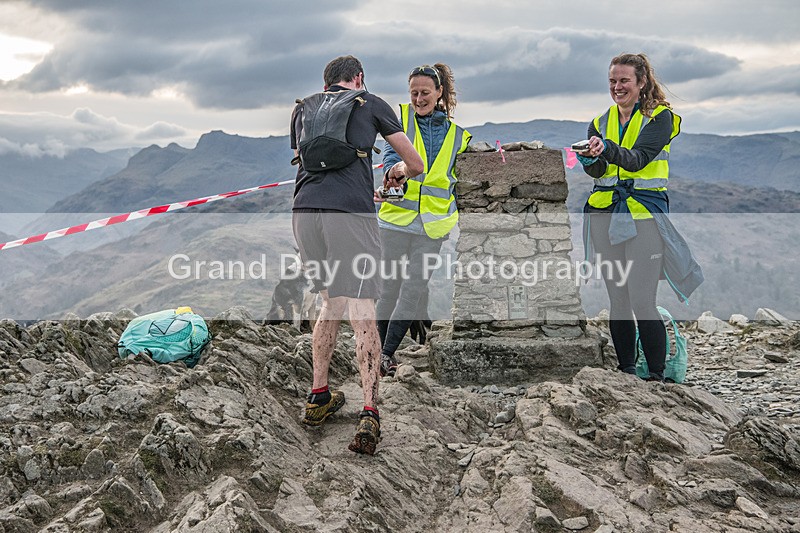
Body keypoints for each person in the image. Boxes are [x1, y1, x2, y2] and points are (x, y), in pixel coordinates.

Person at [291, 55, 424, 454]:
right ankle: (369, 410)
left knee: (330, 301)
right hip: (350, 215)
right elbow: (415, 163)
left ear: (326, 83)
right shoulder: (370, 103)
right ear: (359, 79)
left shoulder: (303, 109)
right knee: (363, 304)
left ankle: (319, 397)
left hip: (304, 214)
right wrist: (397, 171)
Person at [577, 53, 702, 381]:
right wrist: (591, 159)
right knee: (618, 296)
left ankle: (657, 376)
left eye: (624, 81)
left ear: (642, 82)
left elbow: (639, 159)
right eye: (612, 82)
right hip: (604, 215)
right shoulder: (600, 122)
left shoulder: (660, 118)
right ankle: (628, 372)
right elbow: (602, 171)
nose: (617, 87)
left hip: (643, 215)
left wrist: (605, 149)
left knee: (642, 298)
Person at [376, 63, 471, 377]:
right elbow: (391, 156)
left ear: (439, 92)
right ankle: (375, 352)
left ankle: (386, 354)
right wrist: (396, 171)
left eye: (425, 93)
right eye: (414, 93)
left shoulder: (459, 137)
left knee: (413, 290)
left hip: (433, 226)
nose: (418, 98)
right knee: (389, 288)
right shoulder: (400, 118)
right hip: (395, 220)